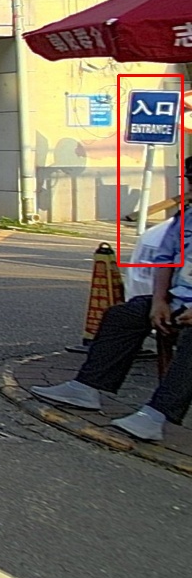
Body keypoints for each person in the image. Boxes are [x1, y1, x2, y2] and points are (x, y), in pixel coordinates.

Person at [31, 156, 192, 442]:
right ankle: (85, 388)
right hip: (178, 302)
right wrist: (159, 301)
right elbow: (165, 259)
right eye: (190, 182)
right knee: (123, 315)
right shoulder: (186, 217)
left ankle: (156, 416)